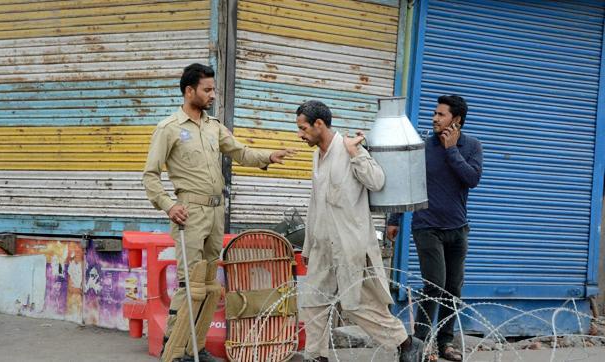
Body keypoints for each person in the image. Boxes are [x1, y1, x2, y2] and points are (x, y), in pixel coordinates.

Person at [142, 63, 295, 362]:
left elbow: (240, 152)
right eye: (207, 90)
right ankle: (172, 351)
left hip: (215, 211)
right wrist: (169, 205)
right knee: (191, 283)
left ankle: (195, 348)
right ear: (190, 91)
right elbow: (150, 175)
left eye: (213, 89)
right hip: (191, 212)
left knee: (211, 283)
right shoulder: (169, 128)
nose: (213, 95)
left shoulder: (213, 127)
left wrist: (269, 156)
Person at [297, 100, 423, 362]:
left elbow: (377, 181)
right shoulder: (317, 155)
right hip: (322, 246)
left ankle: (405, 341)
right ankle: (316, 356)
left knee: (357, 306)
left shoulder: (350, 148)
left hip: (349, 246)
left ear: (319, 124)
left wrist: (356, 154)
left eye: (303, 128)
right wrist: (308, 246)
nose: (300, 134)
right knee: (312, 304)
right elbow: (315, 203)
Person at [387, 95, 483, 361]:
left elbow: (472, 179)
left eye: (441, 114)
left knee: (453, 289)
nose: (434, 118)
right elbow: (408, 184)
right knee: (434, 285)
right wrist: (394, 220)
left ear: (457, 120)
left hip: (458, 229)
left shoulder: (472, 146)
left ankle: (446, 343)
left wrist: (452, 150)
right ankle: (420, 344)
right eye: (435, 113)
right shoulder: (423, 146)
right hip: (426, 227)